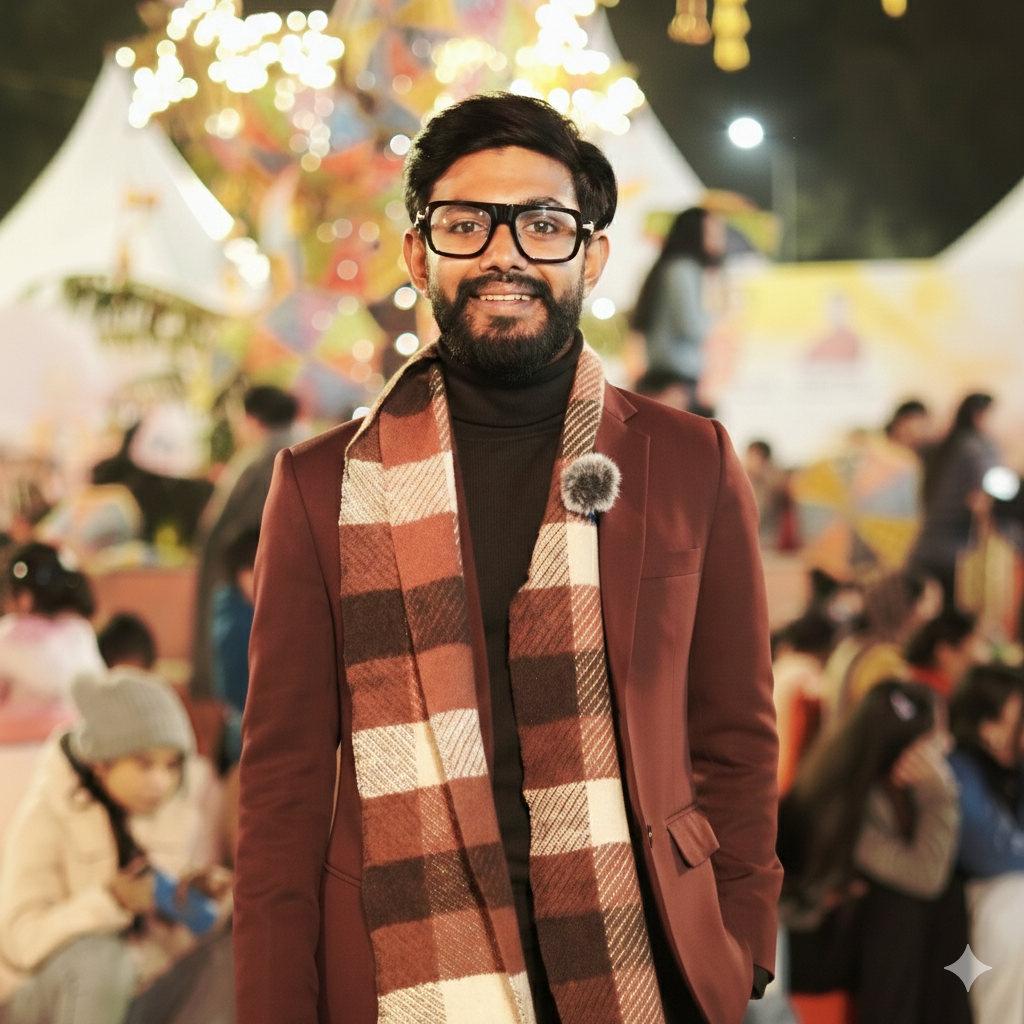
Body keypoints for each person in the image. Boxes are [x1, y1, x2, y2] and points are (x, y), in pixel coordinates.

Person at [234, 93, 781, 1024]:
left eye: (542, 225)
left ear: (590, 255)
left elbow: (735, 735)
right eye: (465, 224)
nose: (505, 254)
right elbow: (280, 788)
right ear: (419, 254)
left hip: (647, 966)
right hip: (408, 971)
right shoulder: (323, 485)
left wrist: (742, 944)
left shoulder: (690, 460)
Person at [0, 669, 234, 1024]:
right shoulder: (47, 814)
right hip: (40, 997)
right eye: (144, 763)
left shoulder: (175, 816)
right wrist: (110, 902)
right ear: (101, 762)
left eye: (172, 765)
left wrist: (198, 903)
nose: (160, 781)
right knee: (101, 960)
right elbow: (19, 943)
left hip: (133, 995)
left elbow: (157, 957)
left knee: (232, 954)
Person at [779, 680, 967, 1024]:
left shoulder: (896, 792)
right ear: (906, 751)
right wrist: (941, 795)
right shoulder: (848, 803)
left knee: (949, 896)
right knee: (898, 905)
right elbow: (926, 876)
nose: (948, 745)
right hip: (807, 942)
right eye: (936, 737)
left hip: (853, 933)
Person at [189, 385, 297, 699]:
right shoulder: (292, 452)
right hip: (259, 589)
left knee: (245, 694)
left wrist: (246, 576)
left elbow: (251, 532)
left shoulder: (264, 462)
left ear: (251, 419)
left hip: (248, 590)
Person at [947, 663, 1024, 1024]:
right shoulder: (959, 770)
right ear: (988, 728)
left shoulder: (1014, 769)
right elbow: (989, 853)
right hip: (977, 900)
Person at [0, 542, 105, 744]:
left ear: (25, 598)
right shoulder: (80, 632)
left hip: (19, 750)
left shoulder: (9, 635)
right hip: (82, 745)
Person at [630, 206, 726, 410]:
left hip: (670, 375)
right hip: (675, 380)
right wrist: (716, 311)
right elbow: (691, 327)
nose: (721, 238)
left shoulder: (674, 267)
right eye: (713, 231)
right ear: (695, 232)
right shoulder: (682, 269)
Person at [909, 392, 1000, 607]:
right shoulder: (977, 449)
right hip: (956, 555)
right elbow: (984, 498)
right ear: (979, 415)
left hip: (925, 548)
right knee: (953, 617)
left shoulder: (943, 446)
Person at [905, 609, 979, 700]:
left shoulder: (906, 679)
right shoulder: (940, 698)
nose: (970, 665)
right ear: (944, 653)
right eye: (967, 659)